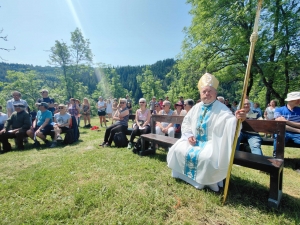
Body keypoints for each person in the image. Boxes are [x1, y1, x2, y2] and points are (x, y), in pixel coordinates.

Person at [167, 73, 246, 192]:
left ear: (215, 93)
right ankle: (181, 175)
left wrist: (238, 119)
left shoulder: (222, 109)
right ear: (200, 94)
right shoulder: (196, 107)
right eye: (204, 92)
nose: (207, 94)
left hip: (211, 142)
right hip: (193, 140)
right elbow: (186, 122)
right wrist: (189, 136)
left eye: (210, 91)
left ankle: (209, 182)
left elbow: (231, 123)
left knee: (207, 157)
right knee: (177, 148)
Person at [273, 92, 300, 157]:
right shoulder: (279, 110)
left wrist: (286, 121)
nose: (299, 101)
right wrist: (297, 130)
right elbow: (280, 125)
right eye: (298, 99)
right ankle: (276, 158)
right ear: (291, 100)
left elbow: (284, 123)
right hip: (283, 132)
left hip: (297, 135)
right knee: (279, 138)